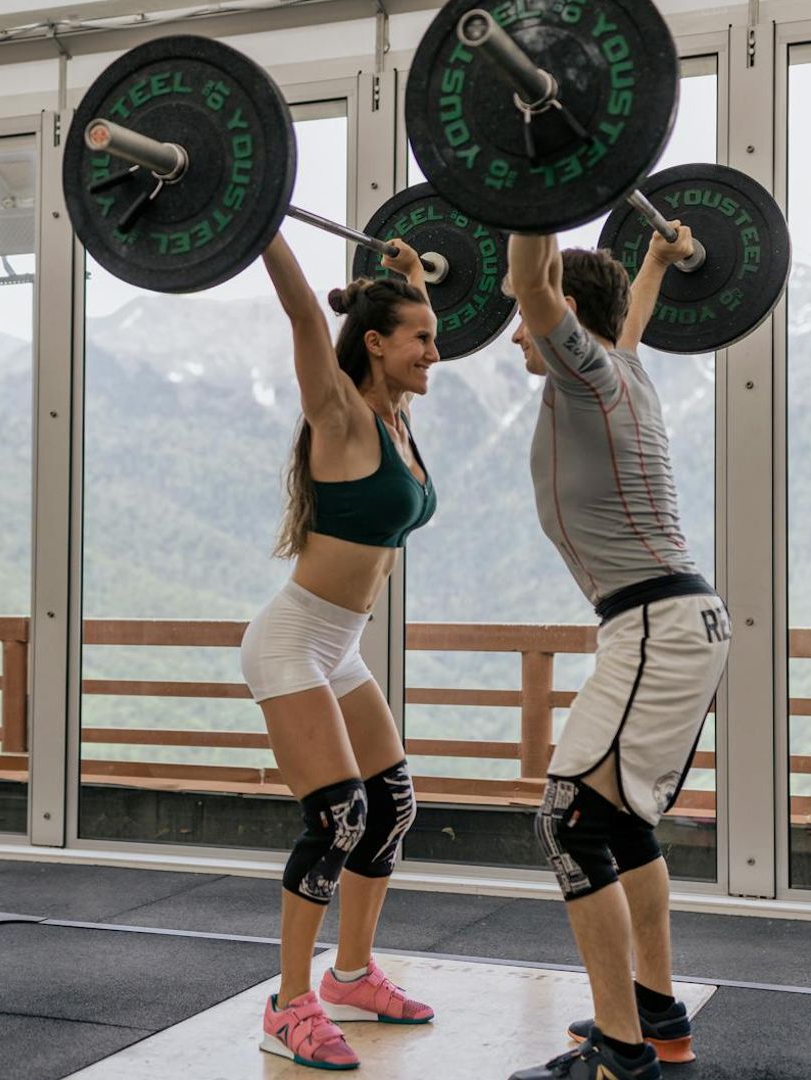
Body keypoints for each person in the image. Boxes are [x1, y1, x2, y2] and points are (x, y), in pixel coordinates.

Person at [503, 226, 733, 1080]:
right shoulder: (624, 366)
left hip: (655, 627)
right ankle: (658, 1014)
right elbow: (627, 315)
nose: (516, 331)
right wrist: (658, 263)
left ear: (565, 314)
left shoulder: (589, 372)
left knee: (567, 823)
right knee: (620, 822)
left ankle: (621, 1055)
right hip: (675, 623)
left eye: (527, 319)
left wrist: (536, 200)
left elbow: (534, 281)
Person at [240, 233, 441, 1071]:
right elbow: (299, 311)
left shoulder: (397, 416)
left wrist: (410, 278)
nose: (438, 349)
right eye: (422, 338)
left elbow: (405, 314)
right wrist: (261, 224)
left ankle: (351, 976)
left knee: (391, 803)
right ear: (373, 345)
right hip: (292, 641)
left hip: (341, 646)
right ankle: (287, 1006)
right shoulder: (341, 414)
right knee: (338, 817)